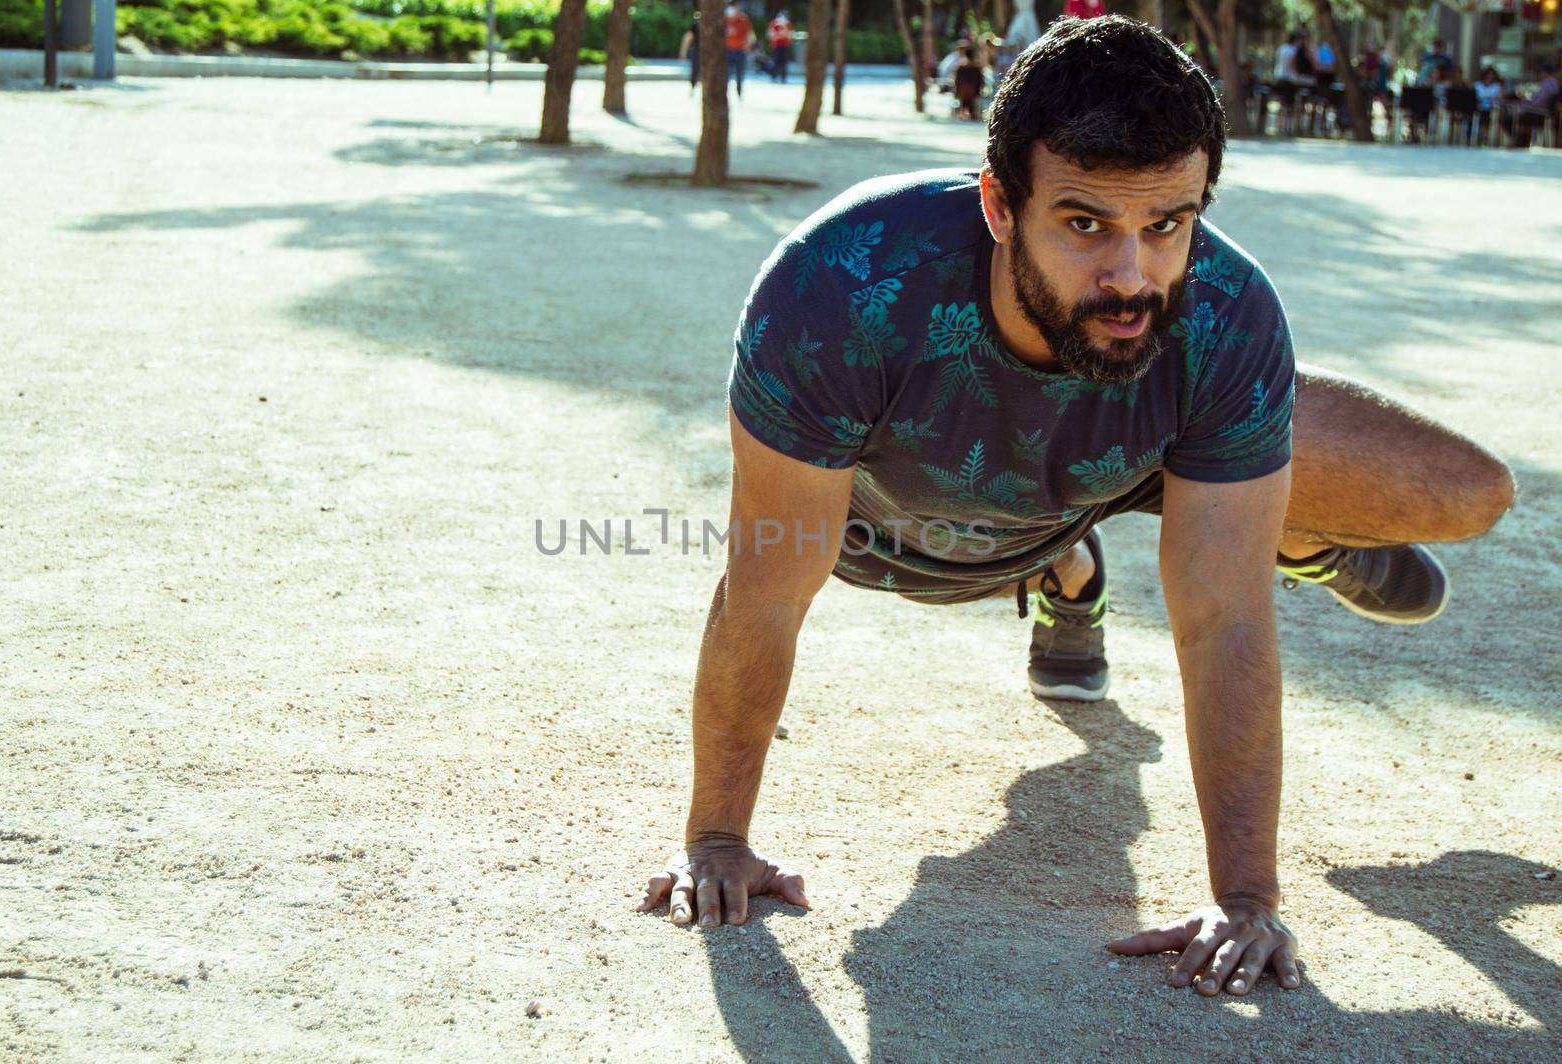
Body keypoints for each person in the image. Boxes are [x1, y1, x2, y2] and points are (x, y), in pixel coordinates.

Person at [638, 16, 1515, 999]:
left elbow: (1221, 619)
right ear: (998, 204)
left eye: (1168, 223)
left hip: (1119, 462)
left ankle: (1291, 538)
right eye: (1086, 223)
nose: (1133, 273)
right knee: (1036, 512)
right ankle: (1071, 567)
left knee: (1469, 492)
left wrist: (1248, 898)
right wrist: (716, 837)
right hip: (892, 529)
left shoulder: (1222, 310)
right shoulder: (839, 288)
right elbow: (762, 590)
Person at [1501, 62, 1559, 148]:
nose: (1538, 75)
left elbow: (1538, 103)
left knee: (1507, 119)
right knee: (1515, 117)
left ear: (1545, 73)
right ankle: (1521, 140)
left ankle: (1519, 141)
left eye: (1539, 72)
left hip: (1539, 114)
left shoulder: (1548, 84)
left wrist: (1521, 104)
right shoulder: (1551, 83)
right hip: (1540, 112)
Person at [723, 2, 755, 99]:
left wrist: (748, 45)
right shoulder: (723, 19)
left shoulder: (743, 19)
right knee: (726, 74)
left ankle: (739, 93)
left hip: (740, 51)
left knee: (739, 73)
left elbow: (750, 34)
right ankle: (724, 94)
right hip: (727, 50)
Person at [953, 46, 985, 120]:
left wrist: (957, 91)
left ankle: (964, 112)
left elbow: (957, 80)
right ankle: (972, 113)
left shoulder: (960, 66)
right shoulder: (977, 67)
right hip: (972, 91)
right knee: (970, 100)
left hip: (963, 91)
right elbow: (980, 80)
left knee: (965, 99)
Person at [767, 9, 793, 83]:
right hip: (776, 46)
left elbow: (790, 35)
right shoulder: (774, 23)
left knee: (784, 63)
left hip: (785, 46)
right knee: (775, 62)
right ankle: (774, 77)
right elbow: (771, 35)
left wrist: (784, 32)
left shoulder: (788, 24)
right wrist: (779, 35)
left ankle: (783, 78)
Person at [679, 11, 701, 94]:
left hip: (702, 53)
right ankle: (693, 87)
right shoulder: (695, 26)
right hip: (696, 51)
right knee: (694, 71)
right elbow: (687, 38)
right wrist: (683, 52)